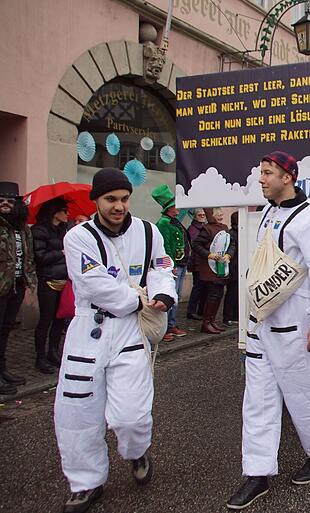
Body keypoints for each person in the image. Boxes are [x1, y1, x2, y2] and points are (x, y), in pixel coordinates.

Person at [54, 168, 176, 513]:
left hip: (130, 331)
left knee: (132, 415)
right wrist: (139, 299)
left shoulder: (149, 232)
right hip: (87, 331)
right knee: (77, 412)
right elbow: (93, 285)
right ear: (97, 200)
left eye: (124, 198)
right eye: (111, 199)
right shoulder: (78, 237)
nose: (119, 206)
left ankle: (136, 451)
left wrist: (165, 294)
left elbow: (161, 267)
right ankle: (85, 483)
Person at [227, 152, 310, 509]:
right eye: (260, 172)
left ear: (287, 177)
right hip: (262, 324)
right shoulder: (268, 213)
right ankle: (257, 474)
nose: (260, 179)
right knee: (257, 402)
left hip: (295, 328)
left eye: (267, 173)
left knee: (305, 397)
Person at [0, 182, 36, 395]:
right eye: (2, 200)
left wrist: (29, 280)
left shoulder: (22, 229)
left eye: (10, 201)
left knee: (6, 330)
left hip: (16, 286)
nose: (5, 204)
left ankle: (3, 370)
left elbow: (29, 256)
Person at [31, 197, 69, 373]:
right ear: (56, 212)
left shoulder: (63, 230)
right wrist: (61, 252)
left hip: (64, 279)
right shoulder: (40, 230)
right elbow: (40, 257)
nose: (68, 214)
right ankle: (40, 357)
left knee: (59, 320)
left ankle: (53, 352)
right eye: (64, 211)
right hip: (48, 280)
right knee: (45, 320)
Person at [151, 184, 189, 342]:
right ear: (169, 208)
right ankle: (163, 327)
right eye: (176, 207)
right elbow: (165, 246)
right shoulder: (164, 223)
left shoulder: (173, 221)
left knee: (177, 297)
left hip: (181, 263)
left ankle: (171, 324)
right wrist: (170, 266)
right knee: (168, 297)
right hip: (173, 266)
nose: (178, 210)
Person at [185, 208, 207, 321]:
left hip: (203, 262)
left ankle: (200, 311)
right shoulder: (193, 230)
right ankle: (191, 311)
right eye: (200, 215)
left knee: (203, 288)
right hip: (197, 263)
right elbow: (194, 249)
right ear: (195, 216)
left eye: (203, 214)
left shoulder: (203, 228)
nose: (202, 216)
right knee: (197, 288)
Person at [223, 211, 240, 327]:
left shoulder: (237, 232)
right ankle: (228, 316)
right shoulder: (231, 234)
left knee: (236, 293)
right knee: (231, 293)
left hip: (238, 266)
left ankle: (235, 315)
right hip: (233, 267)